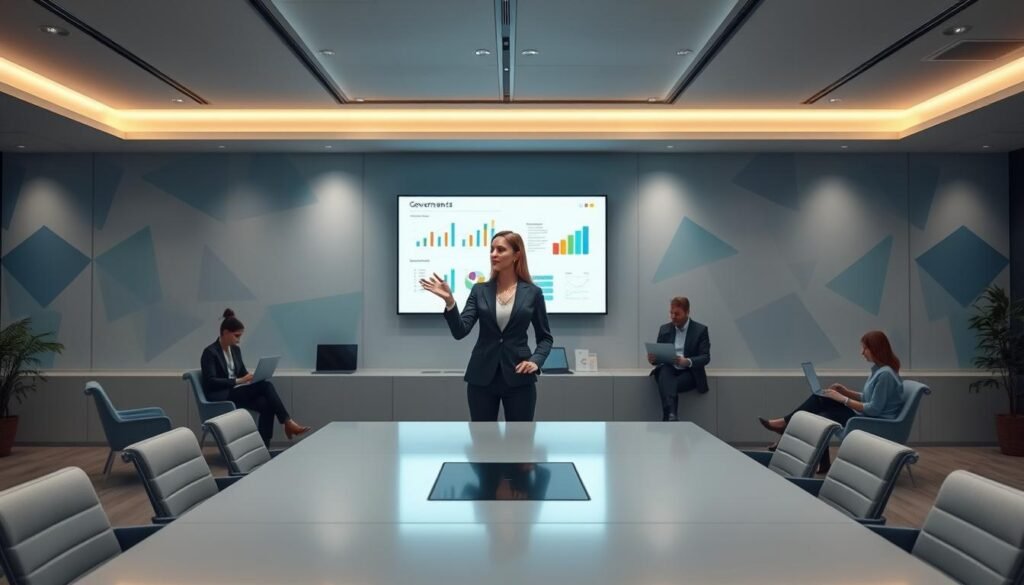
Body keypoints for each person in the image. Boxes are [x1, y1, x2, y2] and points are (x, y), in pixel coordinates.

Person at [420, 230, 553, 422]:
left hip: (519, 377)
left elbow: (545, 337)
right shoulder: (479, 290)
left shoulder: (533, 293)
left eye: (500, 250)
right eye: (491, 250)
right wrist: (450, 302)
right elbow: (460, 331)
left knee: (520, 443)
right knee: (482, 442)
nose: (494, 254)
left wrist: (536, 361)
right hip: (481, 377)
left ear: (516, 255)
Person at [758, 330, 906, 472]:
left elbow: (874, 409)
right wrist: (845, 391)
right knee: (822, 409)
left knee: (821, 400)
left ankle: (784, 424)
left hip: (873, 423)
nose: (862, 353)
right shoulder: (879, 371)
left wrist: (842, 399)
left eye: (865, 348)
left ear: (875, 349)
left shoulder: (884, 375)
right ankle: (817, 458)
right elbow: (869, 398)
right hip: (868, 418)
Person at [200, 309, 310, 446]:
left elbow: (242, 372)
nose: (239, 340)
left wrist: (252, 377)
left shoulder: (235, 350)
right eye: (236, 336)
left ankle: (264, 446)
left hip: (235, 392)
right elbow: (211, 381)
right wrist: (239, 381)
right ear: (225, 332)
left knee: (266, 404)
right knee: (266, 386)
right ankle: (287, 422)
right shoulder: (210, 352)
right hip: (220, 395)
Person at [648, 296, 711, 421]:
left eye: (677, 314)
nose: (673, 317)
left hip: (689, 372)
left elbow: (705, 357)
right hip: (668, 368)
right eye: (671, 313)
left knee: (668, 384)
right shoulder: (664, 329)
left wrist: (687, 361)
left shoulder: (700, 330)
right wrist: (653, 359)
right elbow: (659, 357)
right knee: (665, 371)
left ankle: (669, 416)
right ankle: (672, 416)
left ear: (687, 312)